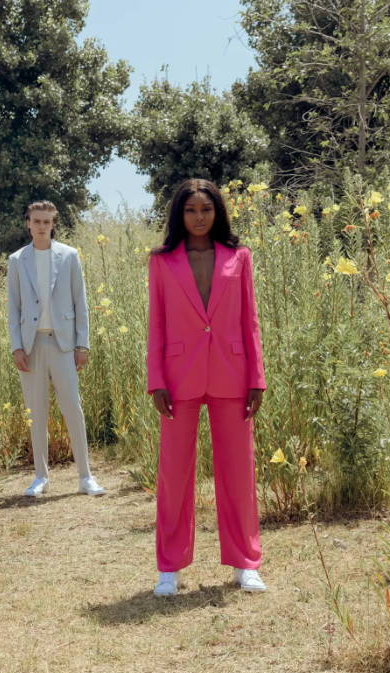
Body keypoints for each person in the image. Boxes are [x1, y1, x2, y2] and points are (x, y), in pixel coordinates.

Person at [146, 179, 267, 596]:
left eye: (206, 210)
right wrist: (156, 380)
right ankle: (169, 567)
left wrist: (256, 378)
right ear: (179, 215)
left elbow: (249, 320)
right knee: (174, 475)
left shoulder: (239, 257)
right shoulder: (162, 262)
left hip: (233, 375)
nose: (199, 218)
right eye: (191, 210)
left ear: (218, 212)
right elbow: (157, 324)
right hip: (178, 378)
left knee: (239, 474)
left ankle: (245, 563)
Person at [7, 201, 105, 497]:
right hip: (31, 345)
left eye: (47, 221)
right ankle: (40, 477)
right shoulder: (16, 260)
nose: (41, 226)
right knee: (35, 412)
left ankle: (85, 476)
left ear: (53, 223)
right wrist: (16, 347)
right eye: (36, 221)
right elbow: (13, 307)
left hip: (63, 344)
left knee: (73, 409)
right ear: (28, 223)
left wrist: (82, 343)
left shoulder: (69, 256)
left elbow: (81, 303)